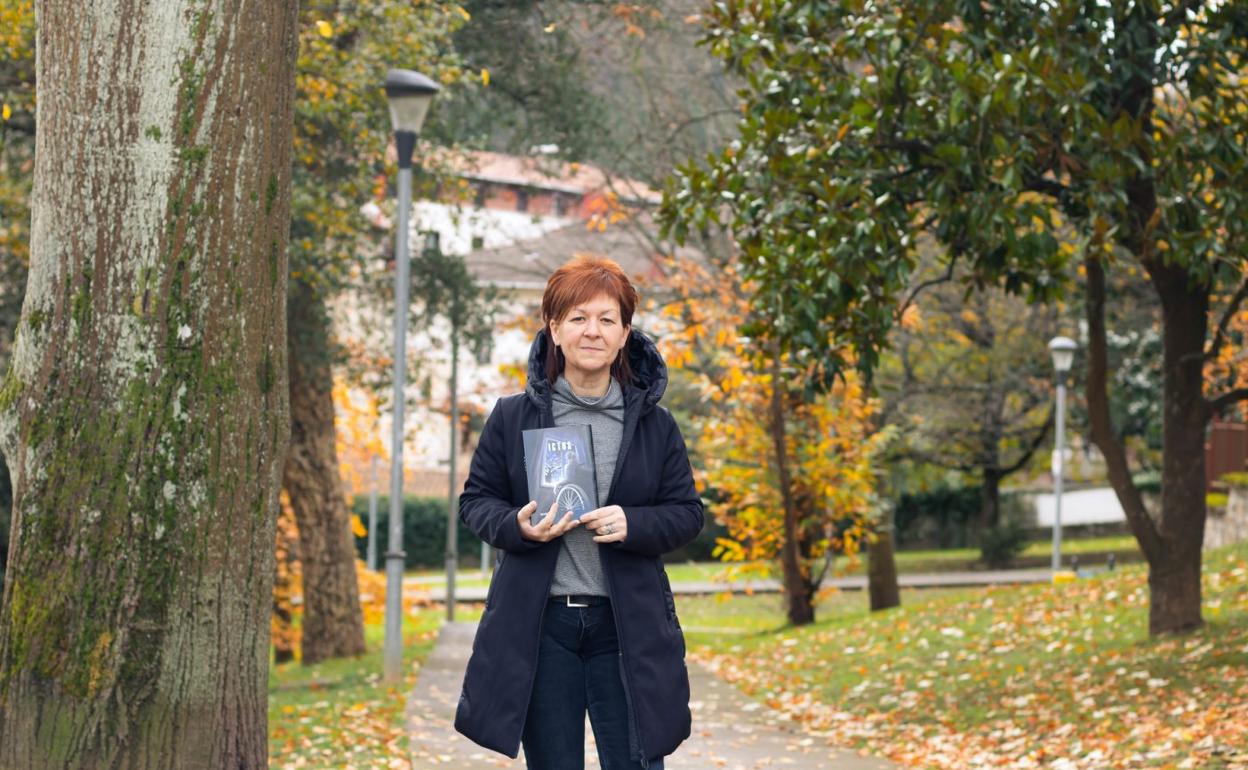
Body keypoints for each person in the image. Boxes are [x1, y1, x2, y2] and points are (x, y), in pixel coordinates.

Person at [455, 255, 704, 770]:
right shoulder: (512, 416)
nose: (593, 331)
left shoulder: (656, 426)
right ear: (554, 329)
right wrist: (515, 526)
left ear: (624, 333)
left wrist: (634, 523)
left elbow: (686, 513)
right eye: (578, 318)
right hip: (541, 628)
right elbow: (475, 502)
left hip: (626, 626)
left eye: (607, 319)